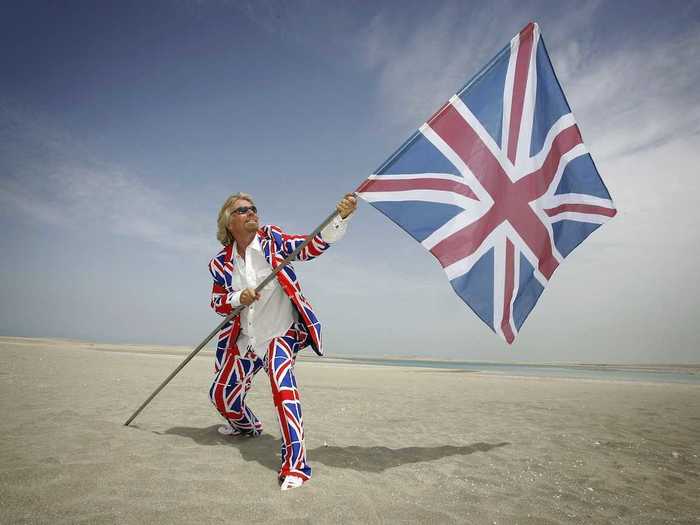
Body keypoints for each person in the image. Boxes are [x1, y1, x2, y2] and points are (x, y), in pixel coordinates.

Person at [207, 192, 357, 491]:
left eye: (253, 208)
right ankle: (247, 427)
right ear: (229, 221)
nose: (252, 212)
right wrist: (239, 297)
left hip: (279, 332)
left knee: (283, 389)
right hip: (246, 338)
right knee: (221, 395)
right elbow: (217, 302)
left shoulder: (272, 240)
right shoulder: (220, 264)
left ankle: (297, 465)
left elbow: (309, 246)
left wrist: (340, 217)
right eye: (242, 210)